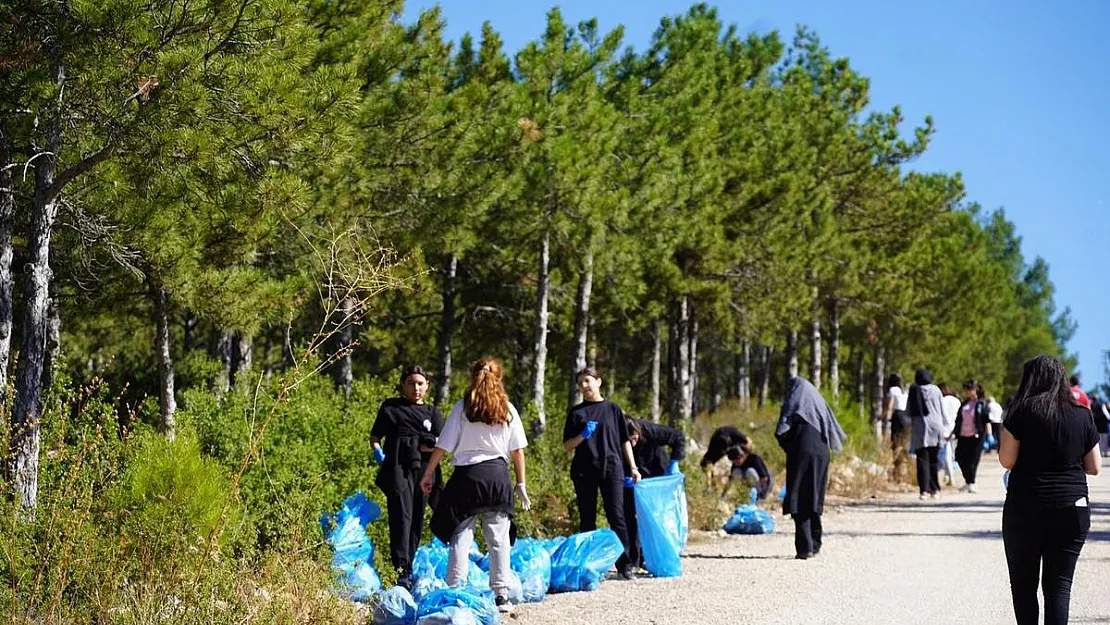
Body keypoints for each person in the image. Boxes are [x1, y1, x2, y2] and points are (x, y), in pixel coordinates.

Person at [420, 358, 529, 614]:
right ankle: (501, 595)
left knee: (461, 535)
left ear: (472, 377)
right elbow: (518, 451)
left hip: (467, 477)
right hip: (497, 477)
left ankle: (456, 590)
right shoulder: (508, 409)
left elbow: (443, 445)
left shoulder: (462, 408)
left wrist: (428, 473)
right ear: (499, 378)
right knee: (498, 539)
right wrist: (521, 483)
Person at [999, 356, 1101, 625]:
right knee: (1059, 586)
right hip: (1072, 508)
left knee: (1023, 586)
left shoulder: (1020, 412)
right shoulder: (1082, 415)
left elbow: (1007, 460)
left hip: (1025, 507)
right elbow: (1094, 467)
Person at [563, 368, 641, 580]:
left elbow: (625, 441)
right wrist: (582, 435)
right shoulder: (576, 412)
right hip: (584, 471)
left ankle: (625, 564)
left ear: (598, 381)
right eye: (580, 383)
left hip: (612, 468)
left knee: (617, 516)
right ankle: (588, 566)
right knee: (587, 519)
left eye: (588, 381)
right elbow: (567, 446)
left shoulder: (613, 409)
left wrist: (633, 467)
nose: (584, 386)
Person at [370, 365, 445, 583]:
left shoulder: (433, 413)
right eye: (411, 383)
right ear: (403, 385)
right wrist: (377, 450)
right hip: (397, 468)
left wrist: (424, 446)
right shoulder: (391, 408)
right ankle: (400, 570)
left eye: (420, 383)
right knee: (401, 516)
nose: (416, 388)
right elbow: (375, 435)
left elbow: (443, 444)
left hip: (424, 471)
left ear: (427, 386)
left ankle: (408, 567)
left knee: (416, 519)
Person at [775, 376, 846, 560]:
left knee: (798, 497)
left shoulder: (795, 403)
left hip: (801, 452)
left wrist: (788, 447)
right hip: (822, 453)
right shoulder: (819, 406)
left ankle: (804, 547)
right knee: (814, 496)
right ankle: (815, 544)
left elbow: (782, 430)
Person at [624, 417, 685, 571]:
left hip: (657, 475)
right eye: (628, 440)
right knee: (631, 516)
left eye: (634, 438)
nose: (632, 442)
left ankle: (657, 555)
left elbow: (678, 436)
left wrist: (675, 461)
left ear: (638, 432)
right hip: (635, 478)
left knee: (656, 516)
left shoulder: (650, 430)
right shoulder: (619, 438)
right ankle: (635, 559)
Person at [907, 368, 945, 500]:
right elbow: (942, 409)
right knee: (934, 460)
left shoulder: (914, 390)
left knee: (922, 460)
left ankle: (924, 490)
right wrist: (946, 426)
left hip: (920, 429)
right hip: (936, 428)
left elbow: (908, 411)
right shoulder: (936, 390)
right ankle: (935, 489)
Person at [951, 379, 989, 493]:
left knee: (972, 460)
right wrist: (953, 433)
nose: (967, 392)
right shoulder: (964, 404)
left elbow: (986, 420)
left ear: (975, 389)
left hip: (976, 436)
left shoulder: (981, 403)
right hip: (963, 435)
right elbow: (958, 420)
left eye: (969, 389)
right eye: (966, 390)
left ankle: (971, 482)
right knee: (960, 457)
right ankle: (969, 481)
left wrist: (989, 435)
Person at [884, 373, 911, 482]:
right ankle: (904, 472)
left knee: (896, 444)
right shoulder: (904, 390)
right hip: (907, 418)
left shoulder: (893, 390)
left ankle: (897, 473)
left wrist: (884, 416)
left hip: (898, 417)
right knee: (904, 446)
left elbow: (890, 405)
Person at [938, 382, 961, 486]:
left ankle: (949, 476)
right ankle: (950, 476)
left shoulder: (942, 400)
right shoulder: (956, 400)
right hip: (956, 429)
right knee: (953, 453)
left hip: (945, 429)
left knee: (946, 453)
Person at [982, 384, 1004, 452]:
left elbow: (987, 414)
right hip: (999, 421)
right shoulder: (998, 405)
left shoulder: (989, 405)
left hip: (991, 422)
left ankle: (989, 449)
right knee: (998, 436)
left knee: (990, 435)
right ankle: (999, 448)